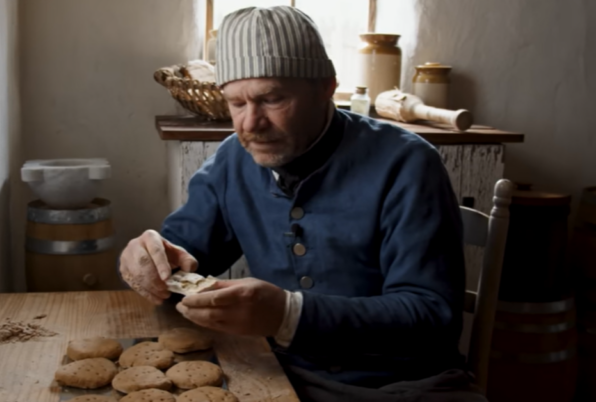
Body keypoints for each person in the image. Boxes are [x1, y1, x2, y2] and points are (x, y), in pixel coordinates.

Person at [120, 6, 485, 401]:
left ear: (327, 87)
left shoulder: (408, 163)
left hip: (404, 385)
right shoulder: (232, 160)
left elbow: (432, 316)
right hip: (275, 375)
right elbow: (184, 255)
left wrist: (289, 315)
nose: (250, 124)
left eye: (272, 99)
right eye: (236, 103)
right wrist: (149, 259)